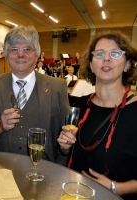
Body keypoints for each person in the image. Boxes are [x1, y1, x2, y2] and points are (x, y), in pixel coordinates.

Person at [57, 31, 137, 199]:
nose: (106, 58)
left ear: (128, 64)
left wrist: (117, 187)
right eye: (99, 54)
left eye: (115, 53)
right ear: (91, 65)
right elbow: (74, 155)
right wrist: (66, 148)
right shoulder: (80, 105)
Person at [0, 25, 69, 165]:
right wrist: (0, 125)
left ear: (37, 55)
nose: (20, 54)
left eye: (27, 49)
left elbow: (65, 135)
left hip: (45, 170)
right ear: (6, 56)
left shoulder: (58, 87)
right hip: (1, 168)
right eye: (14, 50)